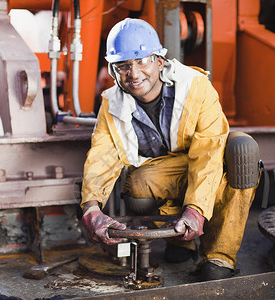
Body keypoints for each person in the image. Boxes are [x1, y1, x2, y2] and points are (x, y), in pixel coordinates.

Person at [80, 18, 259, 281]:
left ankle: (219, 256)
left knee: (242, 149)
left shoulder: (196, 87)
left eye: (142, 61)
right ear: (113, 70)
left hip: (206, 164)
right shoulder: (111, 105)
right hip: (166, 170)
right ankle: (180, 240)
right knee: (138, 182)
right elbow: (101, 157)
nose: (134, 73)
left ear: (160, 61)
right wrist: (91, 208)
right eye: (123, 65)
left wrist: (196, 208)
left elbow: (208, 153)